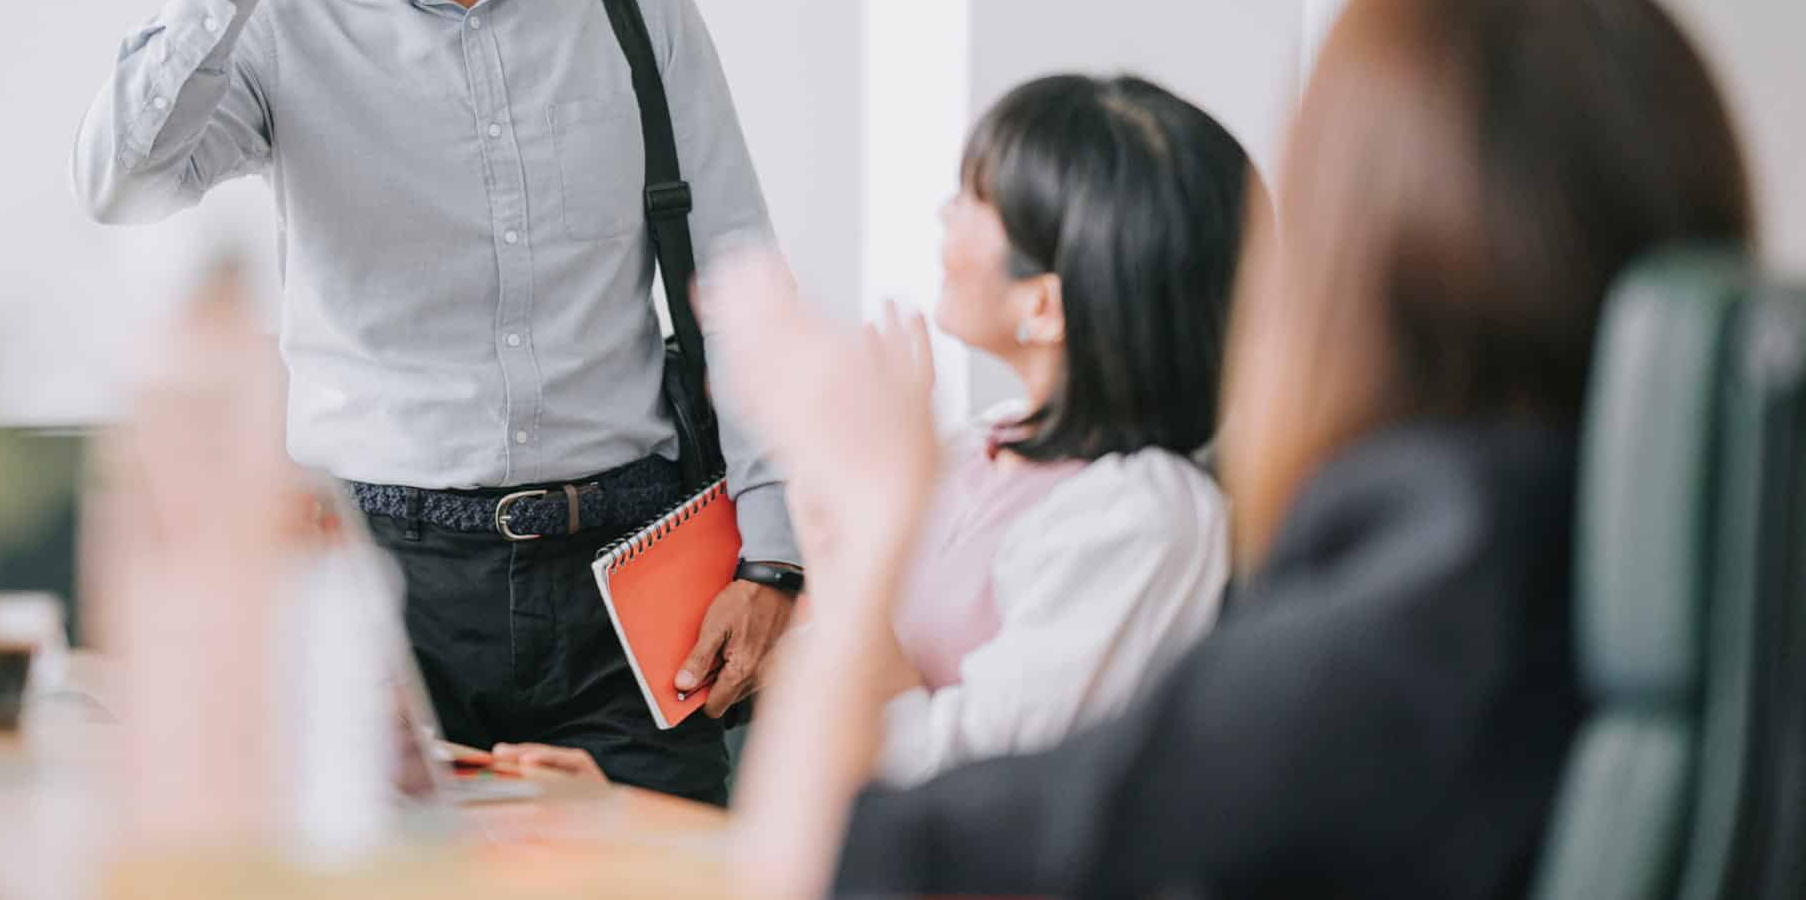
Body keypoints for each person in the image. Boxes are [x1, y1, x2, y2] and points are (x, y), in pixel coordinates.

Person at [714, 0, 1756, 897]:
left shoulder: (1367, 655)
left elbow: (818, 865)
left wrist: (874, 509)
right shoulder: (1700, 581)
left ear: (1347, 261)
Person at [71, 0, 799, 804]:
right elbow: (121, 181)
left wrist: (777, 559)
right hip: (374, 586)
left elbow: (741, 279)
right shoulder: (278, 17)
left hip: (630, 578)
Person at [498, 72, 1251, 786]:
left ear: (1046, 306)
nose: (943, 215)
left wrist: (865, 515)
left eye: (974, 201)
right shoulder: (980, 447)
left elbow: (965, 783)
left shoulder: (1145, 518)